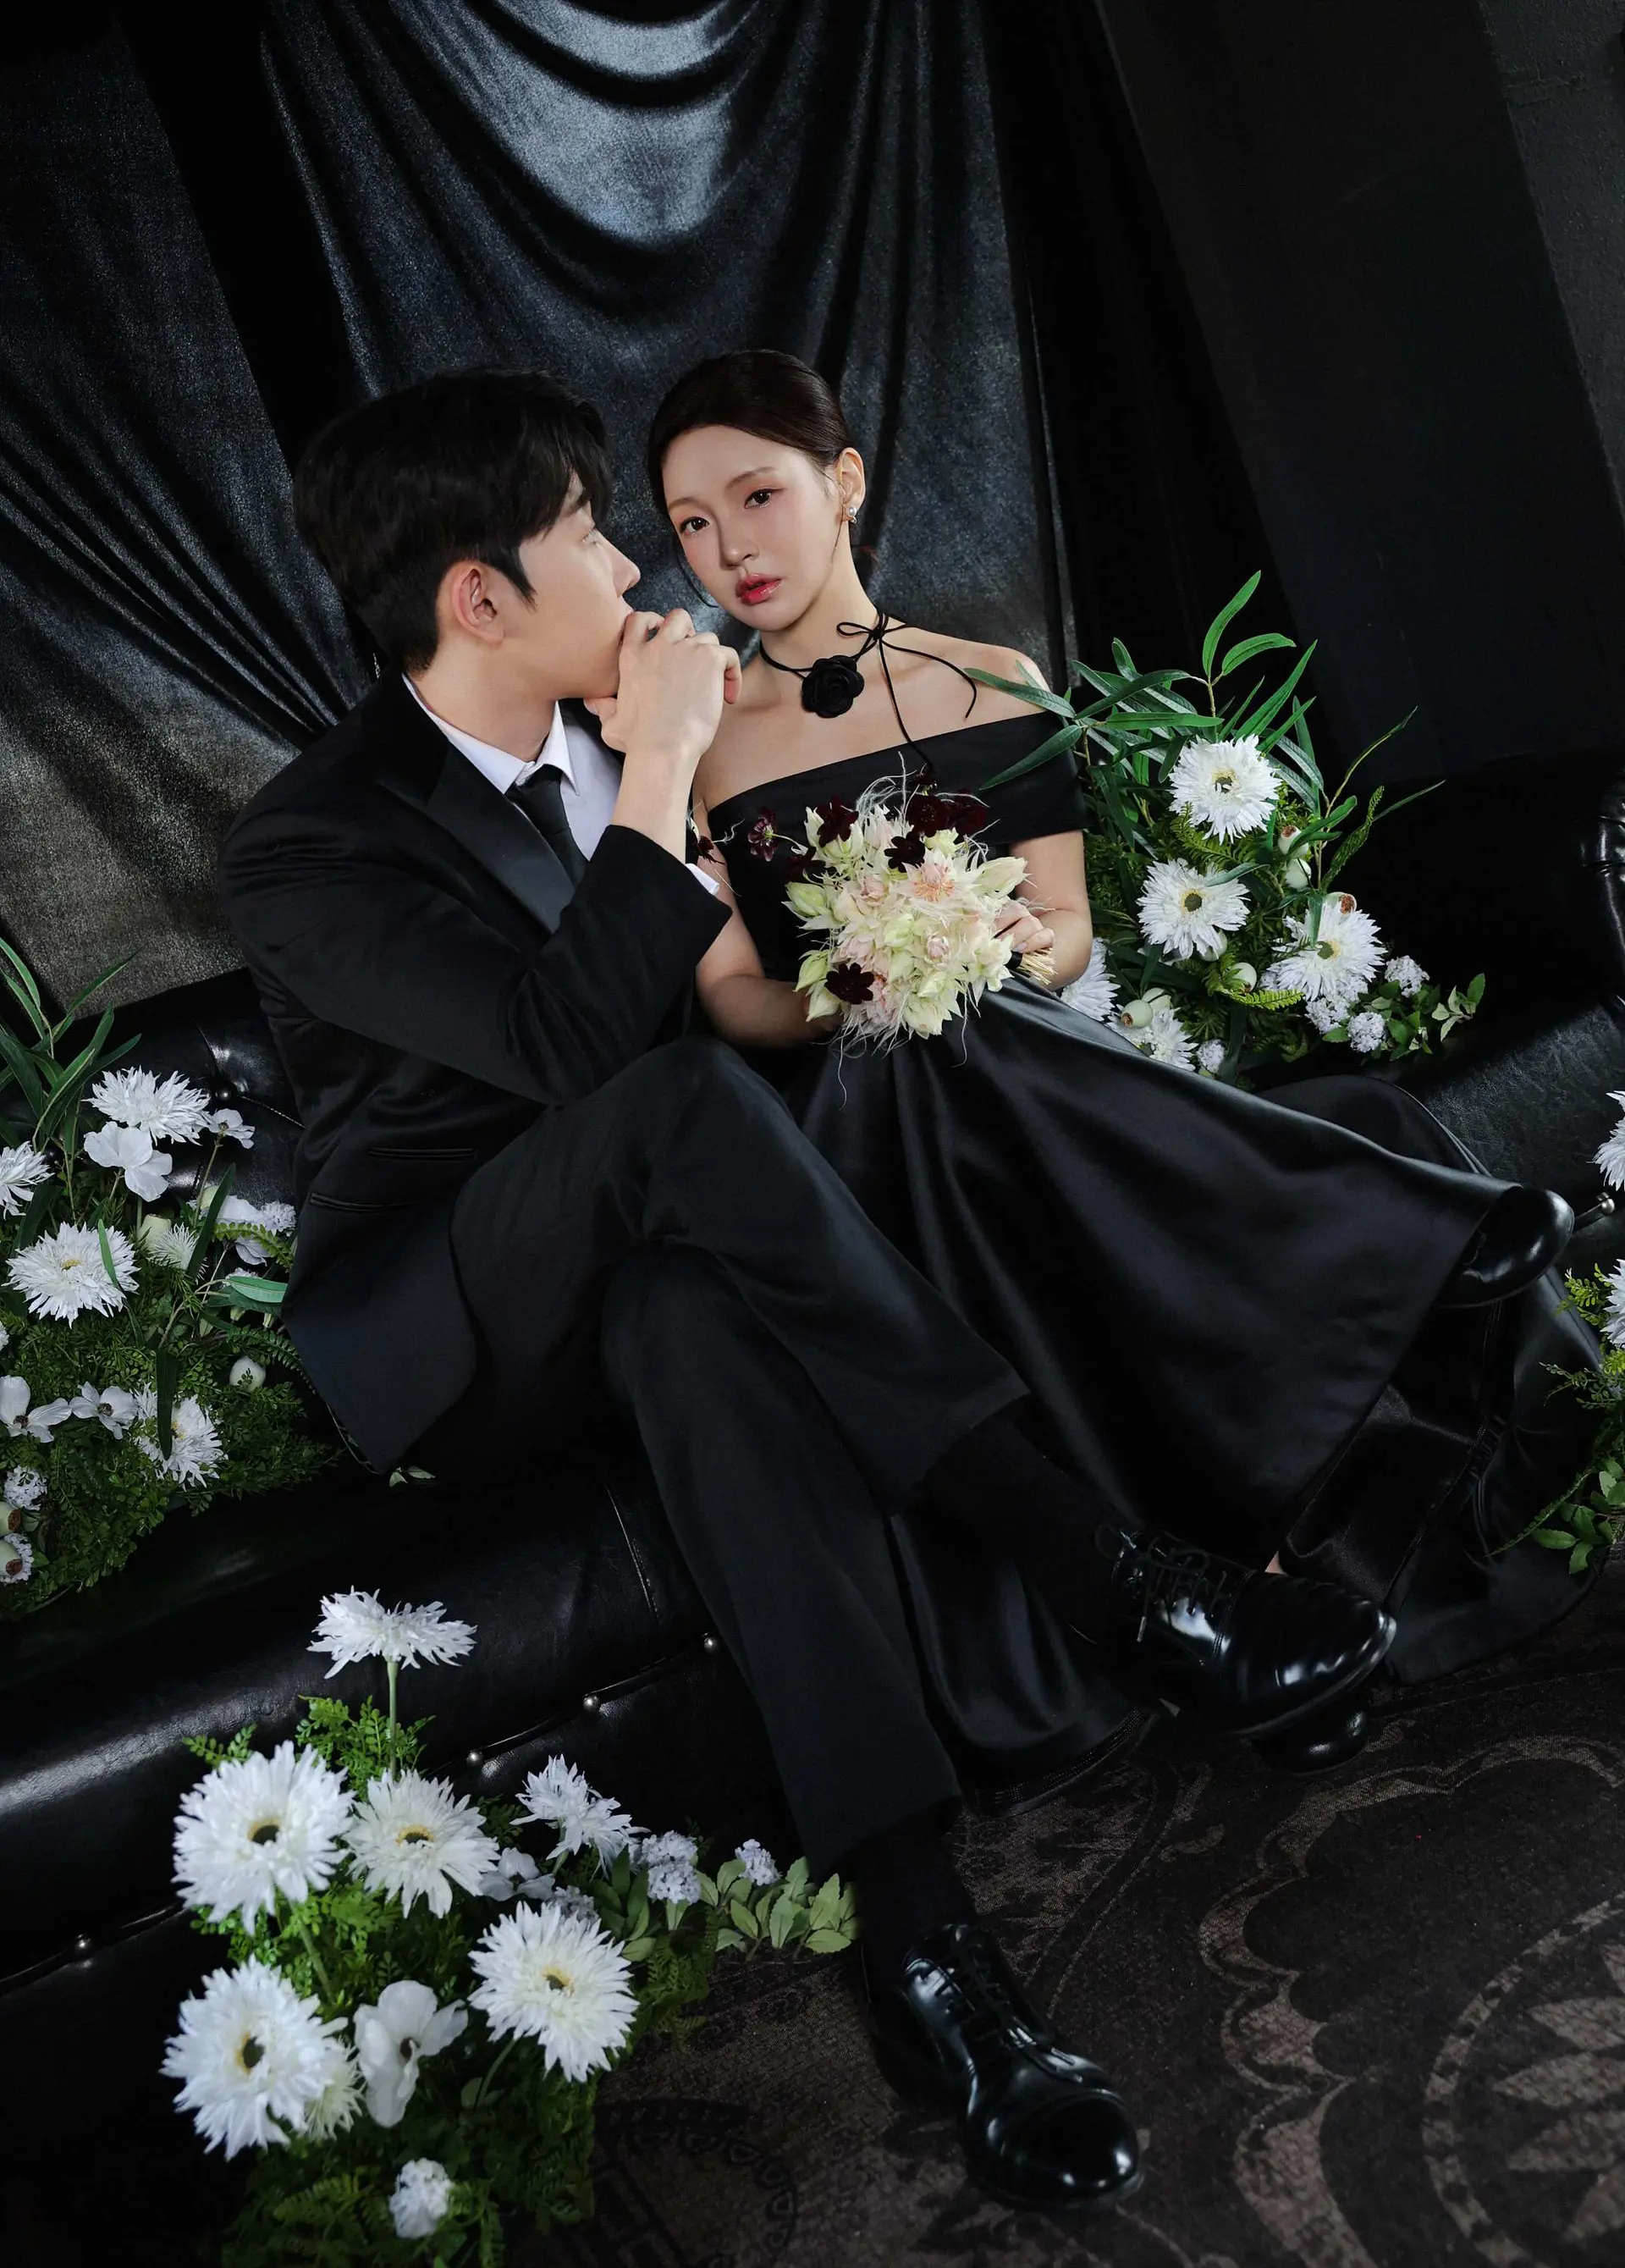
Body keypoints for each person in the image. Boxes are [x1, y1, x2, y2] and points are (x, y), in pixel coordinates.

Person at [219, 368, 1563, 2218]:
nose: (641, 570)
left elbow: (737, 1020)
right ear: (479, 596)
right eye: (595, 536)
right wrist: (664, 765)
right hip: (462, 1312)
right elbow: (566, 1052)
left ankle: (936, 1962)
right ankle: (1117, 1572)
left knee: (710, 1317)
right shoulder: (313, 838)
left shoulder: (627, 744)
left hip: (665, 1270)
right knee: (676, 1115)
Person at [648, 345, 1592, 1735]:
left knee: (983, 1019)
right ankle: (1403, 1232)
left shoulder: (996, 679)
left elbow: (1070, 929)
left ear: (843, 482)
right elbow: (730, 992)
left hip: (1013, 1075)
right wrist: (857, 984)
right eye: (690, 524)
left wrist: (993, 949)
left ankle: (1299, 1585)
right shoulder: (698, 743)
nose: (730, 549)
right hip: (853, 1128)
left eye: (756, 496)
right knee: (924, 1041)